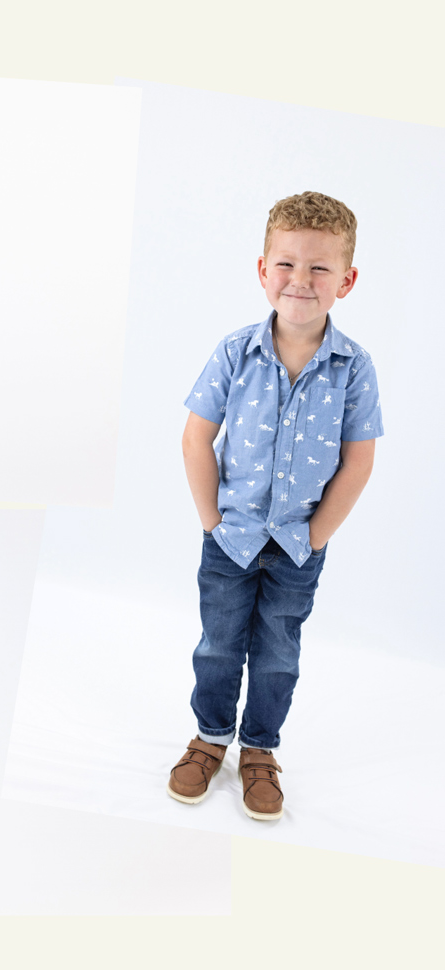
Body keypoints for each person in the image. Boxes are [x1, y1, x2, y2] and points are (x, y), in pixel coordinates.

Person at [168, 192, 382, 821]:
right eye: (286, 264)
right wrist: (212, 522)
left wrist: (315, 536)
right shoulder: (236, 352)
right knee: (217, 645)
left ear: (346, 279)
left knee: (278, 652)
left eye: (319, 268)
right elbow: (195, 437)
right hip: (229, 540)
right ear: (263, 270)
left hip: (296, 547)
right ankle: (210, 737)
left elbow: (359, 460)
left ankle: (259, 748)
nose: (301, 281)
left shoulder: (354, 368)